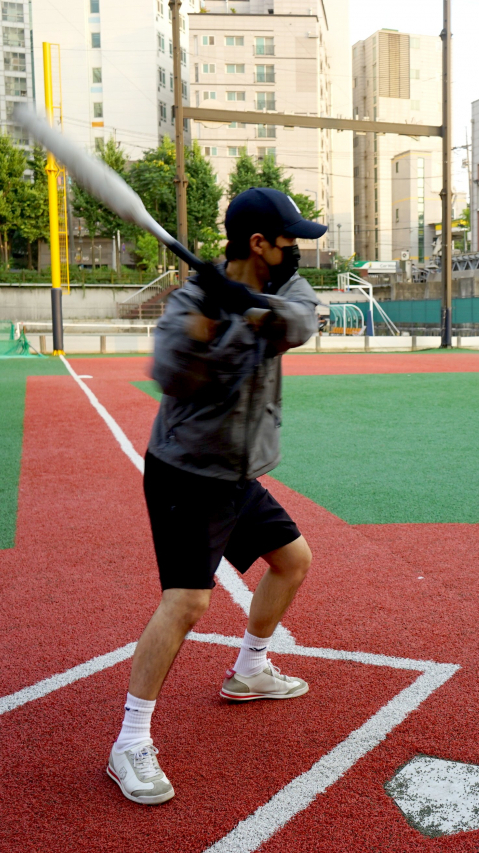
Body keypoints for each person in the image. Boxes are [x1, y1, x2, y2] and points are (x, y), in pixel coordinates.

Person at [107, 188, 323, 805]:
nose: (297, 252)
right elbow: (175, 376)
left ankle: (250, 669)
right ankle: (130, 742)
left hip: (236, 472)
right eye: (290, 240)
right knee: (187, 603)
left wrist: (249, 308)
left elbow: (300, 323)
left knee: (293, 560)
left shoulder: (284, 292)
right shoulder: (189, 303)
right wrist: (214, 331)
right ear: (260, 243)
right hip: (186, 473)